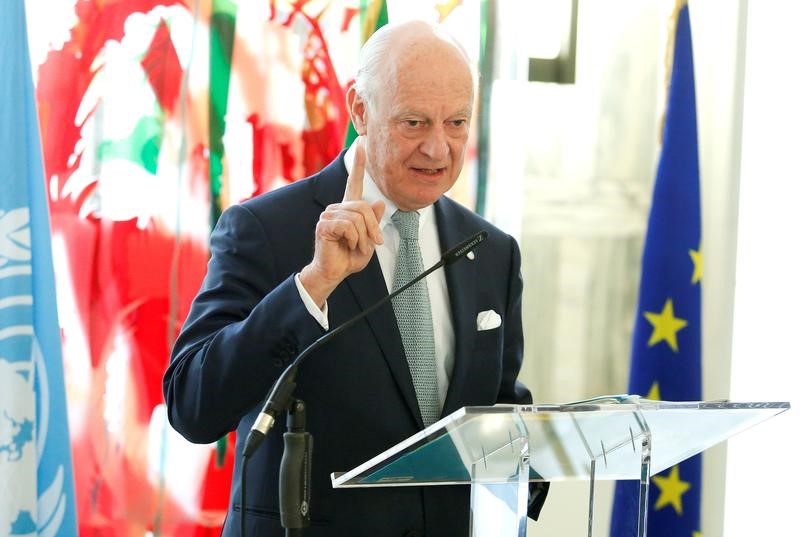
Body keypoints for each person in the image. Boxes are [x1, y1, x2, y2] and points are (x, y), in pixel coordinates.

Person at [163, 20, 548, 536]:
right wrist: (314, 284)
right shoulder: (267, 229)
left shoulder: (491, 251)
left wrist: (553, 448)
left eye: (456, 122)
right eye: (414, 122)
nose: (438, 149)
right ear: (360, 110)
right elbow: (193, 404)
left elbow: (494, 406)